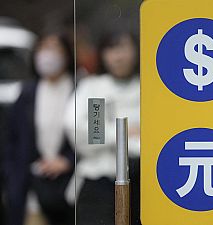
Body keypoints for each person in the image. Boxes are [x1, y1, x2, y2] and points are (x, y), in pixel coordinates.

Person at [64, 30, 140, 225]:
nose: (119, 56)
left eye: (124, 48)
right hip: (100, 180)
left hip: (142, 181)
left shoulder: (147, 87)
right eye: (112, 49)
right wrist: (123, 133)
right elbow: (85, 131)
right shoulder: (94, 88)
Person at [4, 32, 74, 225]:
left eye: (55, 47)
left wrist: (68, 160)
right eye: (44, 47)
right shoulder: (27, 92)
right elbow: (12, 140)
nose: (48, 54)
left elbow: (95, 137)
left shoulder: (84, 89)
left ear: (67, 54)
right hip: (33, 187)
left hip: (71, 186)